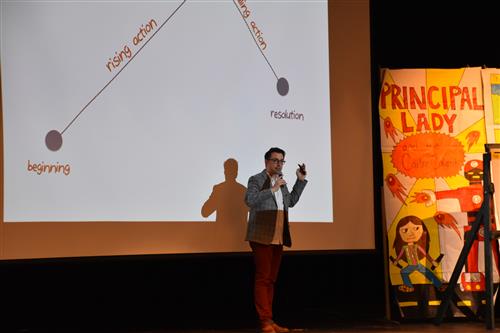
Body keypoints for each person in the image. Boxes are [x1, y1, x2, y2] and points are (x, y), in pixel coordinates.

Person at [245, 147, 307, 333]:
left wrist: (300, 181)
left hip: (279, 234)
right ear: (266, 162)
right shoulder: (256, 179)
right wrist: (272, 189)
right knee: (263, 277)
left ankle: (270, 320)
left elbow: (291, 202)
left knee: (271, 279)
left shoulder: (283, 183)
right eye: (275, 160)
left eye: (281, 161)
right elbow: (250, 200)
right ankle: (264, 321)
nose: (279, 164)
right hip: (262, 234)